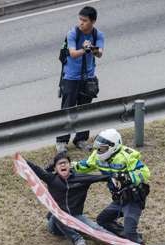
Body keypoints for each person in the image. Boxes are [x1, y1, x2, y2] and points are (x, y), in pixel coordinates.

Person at [73, 129, 150, 245]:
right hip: (118, 199)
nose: (98, 151)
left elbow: (145, 173)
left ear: (113, 147)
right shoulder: (97, 157)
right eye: (97, 148)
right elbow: (84, 166)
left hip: (133, 199)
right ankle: (129, 237)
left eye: (101, 148)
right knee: (103, 220)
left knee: (130, 228)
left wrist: (127, 177)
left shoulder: (126, 156)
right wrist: (67, 166)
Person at [26, 152, 110, 245]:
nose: (62, 165)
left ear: (70, 165)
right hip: (56, 224)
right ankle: (78, 240)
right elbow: (36, 170)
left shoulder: (81, 178)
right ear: (55, 168)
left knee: (96, 228)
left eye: (65, 163)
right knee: (57, 214)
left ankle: (125, 244)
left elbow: (101, 178)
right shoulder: (52, 179)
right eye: (59, 164)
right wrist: (22, 160)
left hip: (76, 218)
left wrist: (114, 177)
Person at [57, 6, 105, 153]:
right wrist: (84, 49)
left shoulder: (98, 34)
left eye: (84, 20)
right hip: (71, 77)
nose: (81, 23)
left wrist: (92, 48)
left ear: (93, 21)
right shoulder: (73, 33)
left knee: (85, 110)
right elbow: (72, 53)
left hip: (88, 78)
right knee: (68, 109)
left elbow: (100, 54)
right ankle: (61, 142)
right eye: (80, 20)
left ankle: (81, 139)